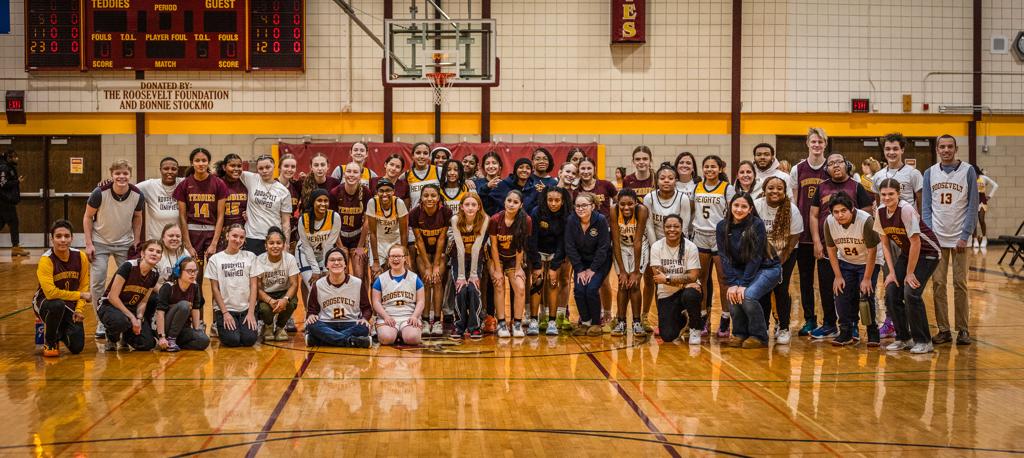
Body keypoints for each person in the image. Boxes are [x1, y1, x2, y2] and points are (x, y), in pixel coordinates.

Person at [808, 152, 874, 339]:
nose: (835, 165)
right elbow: (813, 215)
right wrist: (816, 241)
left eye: (839, 162)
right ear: (826, 168)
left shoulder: (856, 187)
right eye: (831, 163)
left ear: (846, 165)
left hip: (851, 248)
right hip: (827, 244)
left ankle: (851, 325)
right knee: (827, 286)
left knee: (849, 289)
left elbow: (867, 213)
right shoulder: (821, 188)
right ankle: (829, 324)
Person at [922, 135, 978, 345]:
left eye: (950, 146)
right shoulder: (929, 173)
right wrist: (930, 234)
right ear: (937, 149)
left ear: (956, 148)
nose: (946, 150)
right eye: (942, 147)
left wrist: (965, 235)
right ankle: (944, 330)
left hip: (960, 239)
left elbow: (973, 206)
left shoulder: (968, 171)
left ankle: (963, 329)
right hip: (938, 238)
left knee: (960, 284)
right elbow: (926, 207)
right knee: (938, 284)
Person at [877, 178, 942, 354]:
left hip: (928, 252)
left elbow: (916, 243)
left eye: (891, 194)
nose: (887, 197)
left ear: (899, 194)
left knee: (911, 292)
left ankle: (924, 341)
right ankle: (904, 338)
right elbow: (884, 244)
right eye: (883, 194)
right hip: (909, 253)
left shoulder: (906, 210)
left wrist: (910, 273)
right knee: (891, 290)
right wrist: (891, 272)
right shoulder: (880, 212)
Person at [85, 160, 144, 339]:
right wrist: (88, 243)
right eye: (117, 173)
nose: (121, 176)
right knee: (98, 282)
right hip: (100, 242)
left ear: (130, 175)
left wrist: (137, 240)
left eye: (125, 173)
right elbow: (88, 217)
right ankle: (101, 322)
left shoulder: (137, 194)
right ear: (111, 175)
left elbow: (138, 217)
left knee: (128, 282)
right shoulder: (99, 193)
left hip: (124, 243)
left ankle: (127, 318)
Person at [173, 148, 229, 328]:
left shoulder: (218, 183)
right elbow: (182, 217)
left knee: (216, 279)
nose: (201, 163)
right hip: (193, 234)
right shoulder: (184, 185)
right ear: (192, 163)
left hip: (212, 234)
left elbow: (221, 216)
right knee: (194, 279)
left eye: (204, 160)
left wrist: (214, 243)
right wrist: (187, 244)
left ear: (208, 162)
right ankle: (198, 320)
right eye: (197, 160)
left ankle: (216, 321)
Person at [717, 193, 780, 349]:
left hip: (767, 268)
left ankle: (759, 336)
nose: (739, 209)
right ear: (730, 206)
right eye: (736, 205)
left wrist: (743, 284)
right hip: (742, 270)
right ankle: (739, 333)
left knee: (747, 296)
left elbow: (755, 257)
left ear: (750, 209)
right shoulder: (722, 226)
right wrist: (732, 283)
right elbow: (724, 257)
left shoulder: (757, 224)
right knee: (732, 295)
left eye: (744, 206)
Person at [823, 192, 881, 346]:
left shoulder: (865, 221)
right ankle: (846, 332)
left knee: (866, 294)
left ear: (852, 209)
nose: (839, 215)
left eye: (843, 211)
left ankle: (872, 331)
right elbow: (830, 249)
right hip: (846, 261)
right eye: (836, 212)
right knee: (841, 292)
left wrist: (867, 278)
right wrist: (837, 276)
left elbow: (872, 251)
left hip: (868, 262)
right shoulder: (829, 222)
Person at [643, 164, 693, 335]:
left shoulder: (683, 198)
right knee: (659, 282)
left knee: (681, 280)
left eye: (670, 178)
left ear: (676, 181)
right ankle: (660, 319)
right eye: (662, 178)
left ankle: (687, 315)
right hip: (656, 245)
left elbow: (684, 226)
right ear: (657, 181)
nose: (666, 181)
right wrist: (655, 249)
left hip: (678, 245)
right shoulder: (649, 198)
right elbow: (649, 225)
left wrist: (676, 248)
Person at [790, 127, 830, 336]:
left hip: (826, 235)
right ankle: (809, 320)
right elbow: (794, 202)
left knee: (827, 281)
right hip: (804, 235)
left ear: (825, 144)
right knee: (805, 281)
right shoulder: (797, 169)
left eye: (820, 142)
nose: (816, 145)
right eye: (813, 142)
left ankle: (830, 320)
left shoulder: (831, 168)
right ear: (807, 143)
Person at [753, 176, 802, 345]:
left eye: (779, 188)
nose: (775, 191)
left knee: (781, 290)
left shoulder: (792, 210)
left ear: (785, 190)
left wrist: (777, 262)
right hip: (760, 256)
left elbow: (793, 239)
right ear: (764, 190)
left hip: (784, 254)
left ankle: (784, 327)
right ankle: (764, 327)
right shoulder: (757, 206)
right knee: (763, 290)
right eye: (771, 188)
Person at [33, 220, 90, 357]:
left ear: (72, 238)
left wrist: (79, 309)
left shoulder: (80, 256)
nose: (63, 240)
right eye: (58, 236)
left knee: (77, 347)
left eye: (66, 236)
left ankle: (58, 332)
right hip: (45, 302)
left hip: (69, 305)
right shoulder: (46, 260)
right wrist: (80, 296)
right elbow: (51, 293)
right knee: (57, 304)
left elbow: (84, 285)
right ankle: (50, 341)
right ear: (51, 239)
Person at [692, 155, 734, 338]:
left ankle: (725, 317)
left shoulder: (727, 188)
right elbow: (694, 211)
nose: (709, 170)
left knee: (723, 278)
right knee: (701, 279)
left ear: (720, 169)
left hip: (719, 236)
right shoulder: (697, 186)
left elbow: (733, 214)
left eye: (713, 167)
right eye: (706, 167)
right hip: (700, 235)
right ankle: (703, 317)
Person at [97, 239, 162, 352]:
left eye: (158, 252)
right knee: (120, 321)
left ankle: (126, 337)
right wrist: (132, 318)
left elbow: (143, 301)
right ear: (142, 253)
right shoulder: (128, 266)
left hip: (130, 309)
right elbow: (113, 297)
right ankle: (112, 338)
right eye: (151, 250)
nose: (154, 253)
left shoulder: (154, 274)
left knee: (148, 344)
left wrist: (139, 319)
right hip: (110, 306)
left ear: (160, 257)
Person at [649, 214, 703, 345]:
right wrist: (684, 283)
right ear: (663, 228)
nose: (672, 229)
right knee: (667, 336)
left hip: (687, 291)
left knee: (691, 294)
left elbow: (693, 276)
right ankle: (683, 319)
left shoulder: (691, 247)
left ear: (681, 228)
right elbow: (658, 277)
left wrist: (667, 278)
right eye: (668, 226)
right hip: (666, 293)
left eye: (676, 226)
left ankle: (695, 329)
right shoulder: (656, 247)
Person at [304, 248, 372, 348]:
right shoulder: (318, 284)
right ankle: (352, 341)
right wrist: (310, 316)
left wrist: (365, 318)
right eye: (332, 260)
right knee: (311, 325)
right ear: (326, 265)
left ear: (345, 264)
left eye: (340, 260)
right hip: (327, 324)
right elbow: (312, 310)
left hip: (351, 323)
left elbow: (366, 308)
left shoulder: (357, 283)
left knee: (363, 327)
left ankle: (318, 340)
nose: (336, 263)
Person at [565, 192, 611, 337]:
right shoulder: (571, 220)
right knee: (579, 290)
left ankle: (596, 323)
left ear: (592, 206)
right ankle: (585, 322)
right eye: (577, 206)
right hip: (581, 263)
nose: (580, 208)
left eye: (584, 205)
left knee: (591, 289)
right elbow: (570, 246)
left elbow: (603, 247)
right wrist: (579, 269)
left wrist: (592, 269)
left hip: (600, 262)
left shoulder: (601, 220)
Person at [206, 224, 259, 347]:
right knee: (232, 341)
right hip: (226, 310)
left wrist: (251, 312)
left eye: (241, 237)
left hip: (246, 310)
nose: (238, 240)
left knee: (249, 340)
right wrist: (225, 313)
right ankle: (220, 326)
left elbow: (254, 286)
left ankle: (246, 325)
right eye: (234, 236)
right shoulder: (215, 259)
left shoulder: (250, 256)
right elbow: (215, 288)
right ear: (227, 236)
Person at [409, 185, 452, 337]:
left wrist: (435, 266)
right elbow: (419, 240)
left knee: (438, 279)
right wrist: (427, 265)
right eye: (426, 195)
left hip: (440, 253)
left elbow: (442, 238)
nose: (429, 199)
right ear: (421, 198)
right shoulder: (415, 213)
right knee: (426, 280)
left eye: (433, 195)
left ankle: (438, 320)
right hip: (424, 252)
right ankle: (426, 319)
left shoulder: (446, 212)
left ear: (439, 198)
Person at [488, 190, 532, 337]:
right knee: (499, 284)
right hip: (497, 257)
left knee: (520, 287)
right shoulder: (495, 219)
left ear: (521, 205)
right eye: (509, 201)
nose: (511, 204)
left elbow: (522, 246)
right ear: (504, 201)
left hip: (514, 258)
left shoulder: (526, 220)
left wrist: (519, 268)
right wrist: (497, 270)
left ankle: (517, 323)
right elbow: (493, 246)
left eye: (515, 202)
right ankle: (501, 323)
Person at [528, 186, 570, 336]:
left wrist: (554, 266)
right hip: (538, 251)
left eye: (557, 200)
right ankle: (534, 320)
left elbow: (563, 242)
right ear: (545, 200)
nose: (553, 203)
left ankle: (552, 322)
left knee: (553, 282)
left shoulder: (566, 215)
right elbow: (532, 240)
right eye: (550, 200)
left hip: (555, 252)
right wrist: (537, 264)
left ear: (563, 201)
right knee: (537, 282)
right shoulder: (536, 212)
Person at [450, 193, 489, 340]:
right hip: (458, 258)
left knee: (473, 288)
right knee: (461, 289)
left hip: (476, 258)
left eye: (474, 205)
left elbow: (476, 247)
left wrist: (473, 274)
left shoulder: (484, 219)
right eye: (467, 205)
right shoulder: (455, 219)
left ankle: (475, 326)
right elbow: (460, 248)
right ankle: (459, 325)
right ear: (461, 207)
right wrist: (461, 276)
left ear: (479, 207)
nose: (470, 208)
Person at [610, 188, 649, 336]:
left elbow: (638, 241)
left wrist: (636, 272)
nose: (626, 207)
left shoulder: (642, 210)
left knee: (634, 284)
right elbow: (615, 241)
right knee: (622, 283)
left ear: (636, 203)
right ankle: (621, 322)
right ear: (618, 203)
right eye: (623, 204)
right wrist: (622, 271)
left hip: (639, 247)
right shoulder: (614, 211)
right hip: (622, 246)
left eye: (630, 204)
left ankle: (637, 322)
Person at [372, 244, 426, 346]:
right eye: (392, 256)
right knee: (386, 339)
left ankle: (402, 333)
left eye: (398, 256)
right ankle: (396, 333)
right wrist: (386, 316)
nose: (395, 259)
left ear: (404, 258)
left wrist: (415, 316)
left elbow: (421, 301)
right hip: (388, 317)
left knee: (412, 338)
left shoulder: (415, 278)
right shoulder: (380, 279)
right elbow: (376, 302)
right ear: (388, 259)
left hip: (408, 316)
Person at [154, 256, 210, 352]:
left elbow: (196, 309)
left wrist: (196, 331)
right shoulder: (168, 287)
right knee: (184, 305)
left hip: (183, 329)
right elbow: (160, 313)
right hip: (166, 328)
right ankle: (169, 339)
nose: (193, 274)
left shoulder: (195, 286)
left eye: (195, 271)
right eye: (189, 271)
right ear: (178, 271)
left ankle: (173, 343)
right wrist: (161, 337)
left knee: (204, 340)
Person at [253, 227, 300, 342]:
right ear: (266, 245)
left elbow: (294, 284)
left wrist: (285, 299)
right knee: (264, 309)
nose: (275, 246)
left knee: (292, 302)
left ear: (284, 245)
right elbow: (257, 288)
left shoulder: (290, 259)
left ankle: (280, 327)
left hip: (283, 292)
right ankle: (268, 326)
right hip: (266, 294)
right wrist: (270, 301)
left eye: (278, 243)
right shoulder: (259, 260)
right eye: (271, 243)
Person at [240, 155, 293, 255]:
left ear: (274, 167)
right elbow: (232, 171)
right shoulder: (251, 178)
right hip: (252, 236)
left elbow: (286, 222)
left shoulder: (283, 191)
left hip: (273, 238)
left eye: (267, 167)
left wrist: (286, 243)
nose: (264, 171)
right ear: (257, 169)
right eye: (261, 168)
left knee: (271, 270)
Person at [329, 162, 371, 280]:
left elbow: (367, 222)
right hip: (339, 237)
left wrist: (360, 246)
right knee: (343, 274)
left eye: (355, 172)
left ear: (360, 176)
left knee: (359, 275)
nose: (351, 175)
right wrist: (340, 246)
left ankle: (362, 298)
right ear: (344, 174)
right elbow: (332, 222)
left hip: (357, 237)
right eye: (349, 171)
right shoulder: (335, 192)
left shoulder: (366, 192)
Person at [297, 189, 340, 297]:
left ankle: (314, 313)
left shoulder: (334, 217)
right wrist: (315, 270)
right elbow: (306, 247)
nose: (323, 204)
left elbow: (329, 245)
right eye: (319, 200)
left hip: (324, 254)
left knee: (326, 286)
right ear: (313, 202)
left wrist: (326, 268)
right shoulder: (303, 219)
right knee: (313, 288)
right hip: (304, 254)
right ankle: (310, 313)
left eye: (326, 201)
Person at [365, 179, 409, 277]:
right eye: (381, 191)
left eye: (388, 190)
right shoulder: (372, 203)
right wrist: (376, 261)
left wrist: (404, 256)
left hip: (395, 241)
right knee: (376, 276)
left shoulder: (399, 203)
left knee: (397, 273)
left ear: (393, 192)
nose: (385, 194)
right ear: (377, 192)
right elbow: (372, 233)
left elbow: (404, 233)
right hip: (379, 242)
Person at [872, 132, 923, 212]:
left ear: (902, 150)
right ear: (884, 150)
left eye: (895, 149)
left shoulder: (913, 173)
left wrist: (919, 222)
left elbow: (921, 203)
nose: (891, 152)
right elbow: (879, 203)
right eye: (888, 149)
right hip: (886, 221)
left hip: (907, 221)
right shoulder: (877, 176)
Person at [136, 156, 183, 242]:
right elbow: (128, 189)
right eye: (166, 169)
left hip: (178, 242)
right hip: (156, 242)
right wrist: (111, 184)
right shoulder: (150, 185)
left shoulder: (184, 183)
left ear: (177, 170)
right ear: (160, 170)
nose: (170, 171)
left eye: (173, 169)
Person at [0, 150, 28, 257]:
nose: (17, 159)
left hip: (6, 201)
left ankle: (16, 247)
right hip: (5, 201)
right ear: (8, 158)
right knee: (14, 223)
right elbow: (2, 184)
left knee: (2, 223)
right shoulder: (3, 168)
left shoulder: (8, 167)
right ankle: (15, 247)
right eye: (14, 157)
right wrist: (17, 181)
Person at [216, 154, 249, 239]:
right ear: (224, 167)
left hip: (242, 231)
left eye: (239, 166)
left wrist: (249, 213)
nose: (236, 169)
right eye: (232, 166)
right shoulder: (217, 183)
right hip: (222, 231)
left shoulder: (246, 183)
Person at [406, 143, 441, 208]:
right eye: (418, 153)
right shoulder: (406, 175)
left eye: (425, 153)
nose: (422, 156)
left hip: (437, 216)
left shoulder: (439, 171)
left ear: (429, 156)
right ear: (412, 156)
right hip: (416, 217)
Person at [473, 151, 505, 219]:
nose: (491, 166)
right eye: (487, 163)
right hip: (480, 222)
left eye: (494, 163)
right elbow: (475, 203)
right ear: (483, 167)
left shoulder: (505, 184)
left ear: (500, 167)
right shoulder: (476, 183)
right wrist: (487, 187)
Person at [973, 167, 998, 250]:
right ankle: (975, 239)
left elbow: (995, 185)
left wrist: (990, 196)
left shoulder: (983, 178)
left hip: (982, 199)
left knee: (981, 219)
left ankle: (984, 238)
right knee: (973, 221)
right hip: (973, 200)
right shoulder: (970, 177)